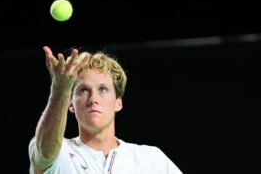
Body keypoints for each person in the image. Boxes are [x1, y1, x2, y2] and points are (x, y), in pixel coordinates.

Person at [28, 45, 183, 174]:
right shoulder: (60, 152)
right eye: (83, 90)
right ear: (71, 104)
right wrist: (60, 90)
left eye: (102, 89)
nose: (93, 99)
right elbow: (45, 153)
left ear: (118, 103)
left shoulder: (151, 159)